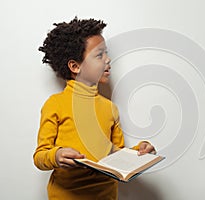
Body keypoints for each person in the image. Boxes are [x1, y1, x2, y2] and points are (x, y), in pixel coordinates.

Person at [33, 17, 156, 200]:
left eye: (106, 53)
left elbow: (117, 155)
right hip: (66, 195)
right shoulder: (55, 104)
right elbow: (40, 156)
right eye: (99, 55)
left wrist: (140, 151)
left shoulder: (110, 108)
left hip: (106, 194)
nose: (108, 60)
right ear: (75, 66)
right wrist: (56, 155)